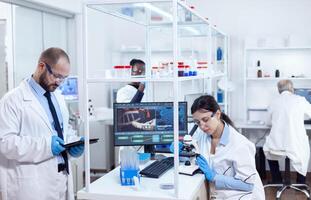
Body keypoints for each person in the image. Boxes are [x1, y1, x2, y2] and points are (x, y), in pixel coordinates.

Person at [0, 47, 84, 200]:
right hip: (32, 185)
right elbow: (5, 143)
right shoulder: (12, 100)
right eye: (57, 76)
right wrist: (46, 146)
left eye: (64, 78)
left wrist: (73, 144)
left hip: (61, 179)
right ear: (41, 66)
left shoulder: (57, 96)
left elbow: (63, 132)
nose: (59, 82)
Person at [173, 95, 265, 199]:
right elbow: (195, 153)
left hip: (241, 196)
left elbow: (248, 185)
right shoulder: (202, 134)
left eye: (206, 119)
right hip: (218, 195)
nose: (202, 126)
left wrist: (215, 177)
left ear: (217, 114)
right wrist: (180, 150)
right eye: (198, 122)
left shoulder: (240, 144)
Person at [263, 79, 311, 184]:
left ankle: (276, 179)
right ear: (291, 89)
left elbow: (267, 122)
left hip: (277, 146)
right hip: (295, 145)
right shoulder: (301, 100)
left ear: (278, 90)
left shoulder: (273, 102)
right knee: (304, 149)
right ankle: (301, 182)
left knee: (267, 149)